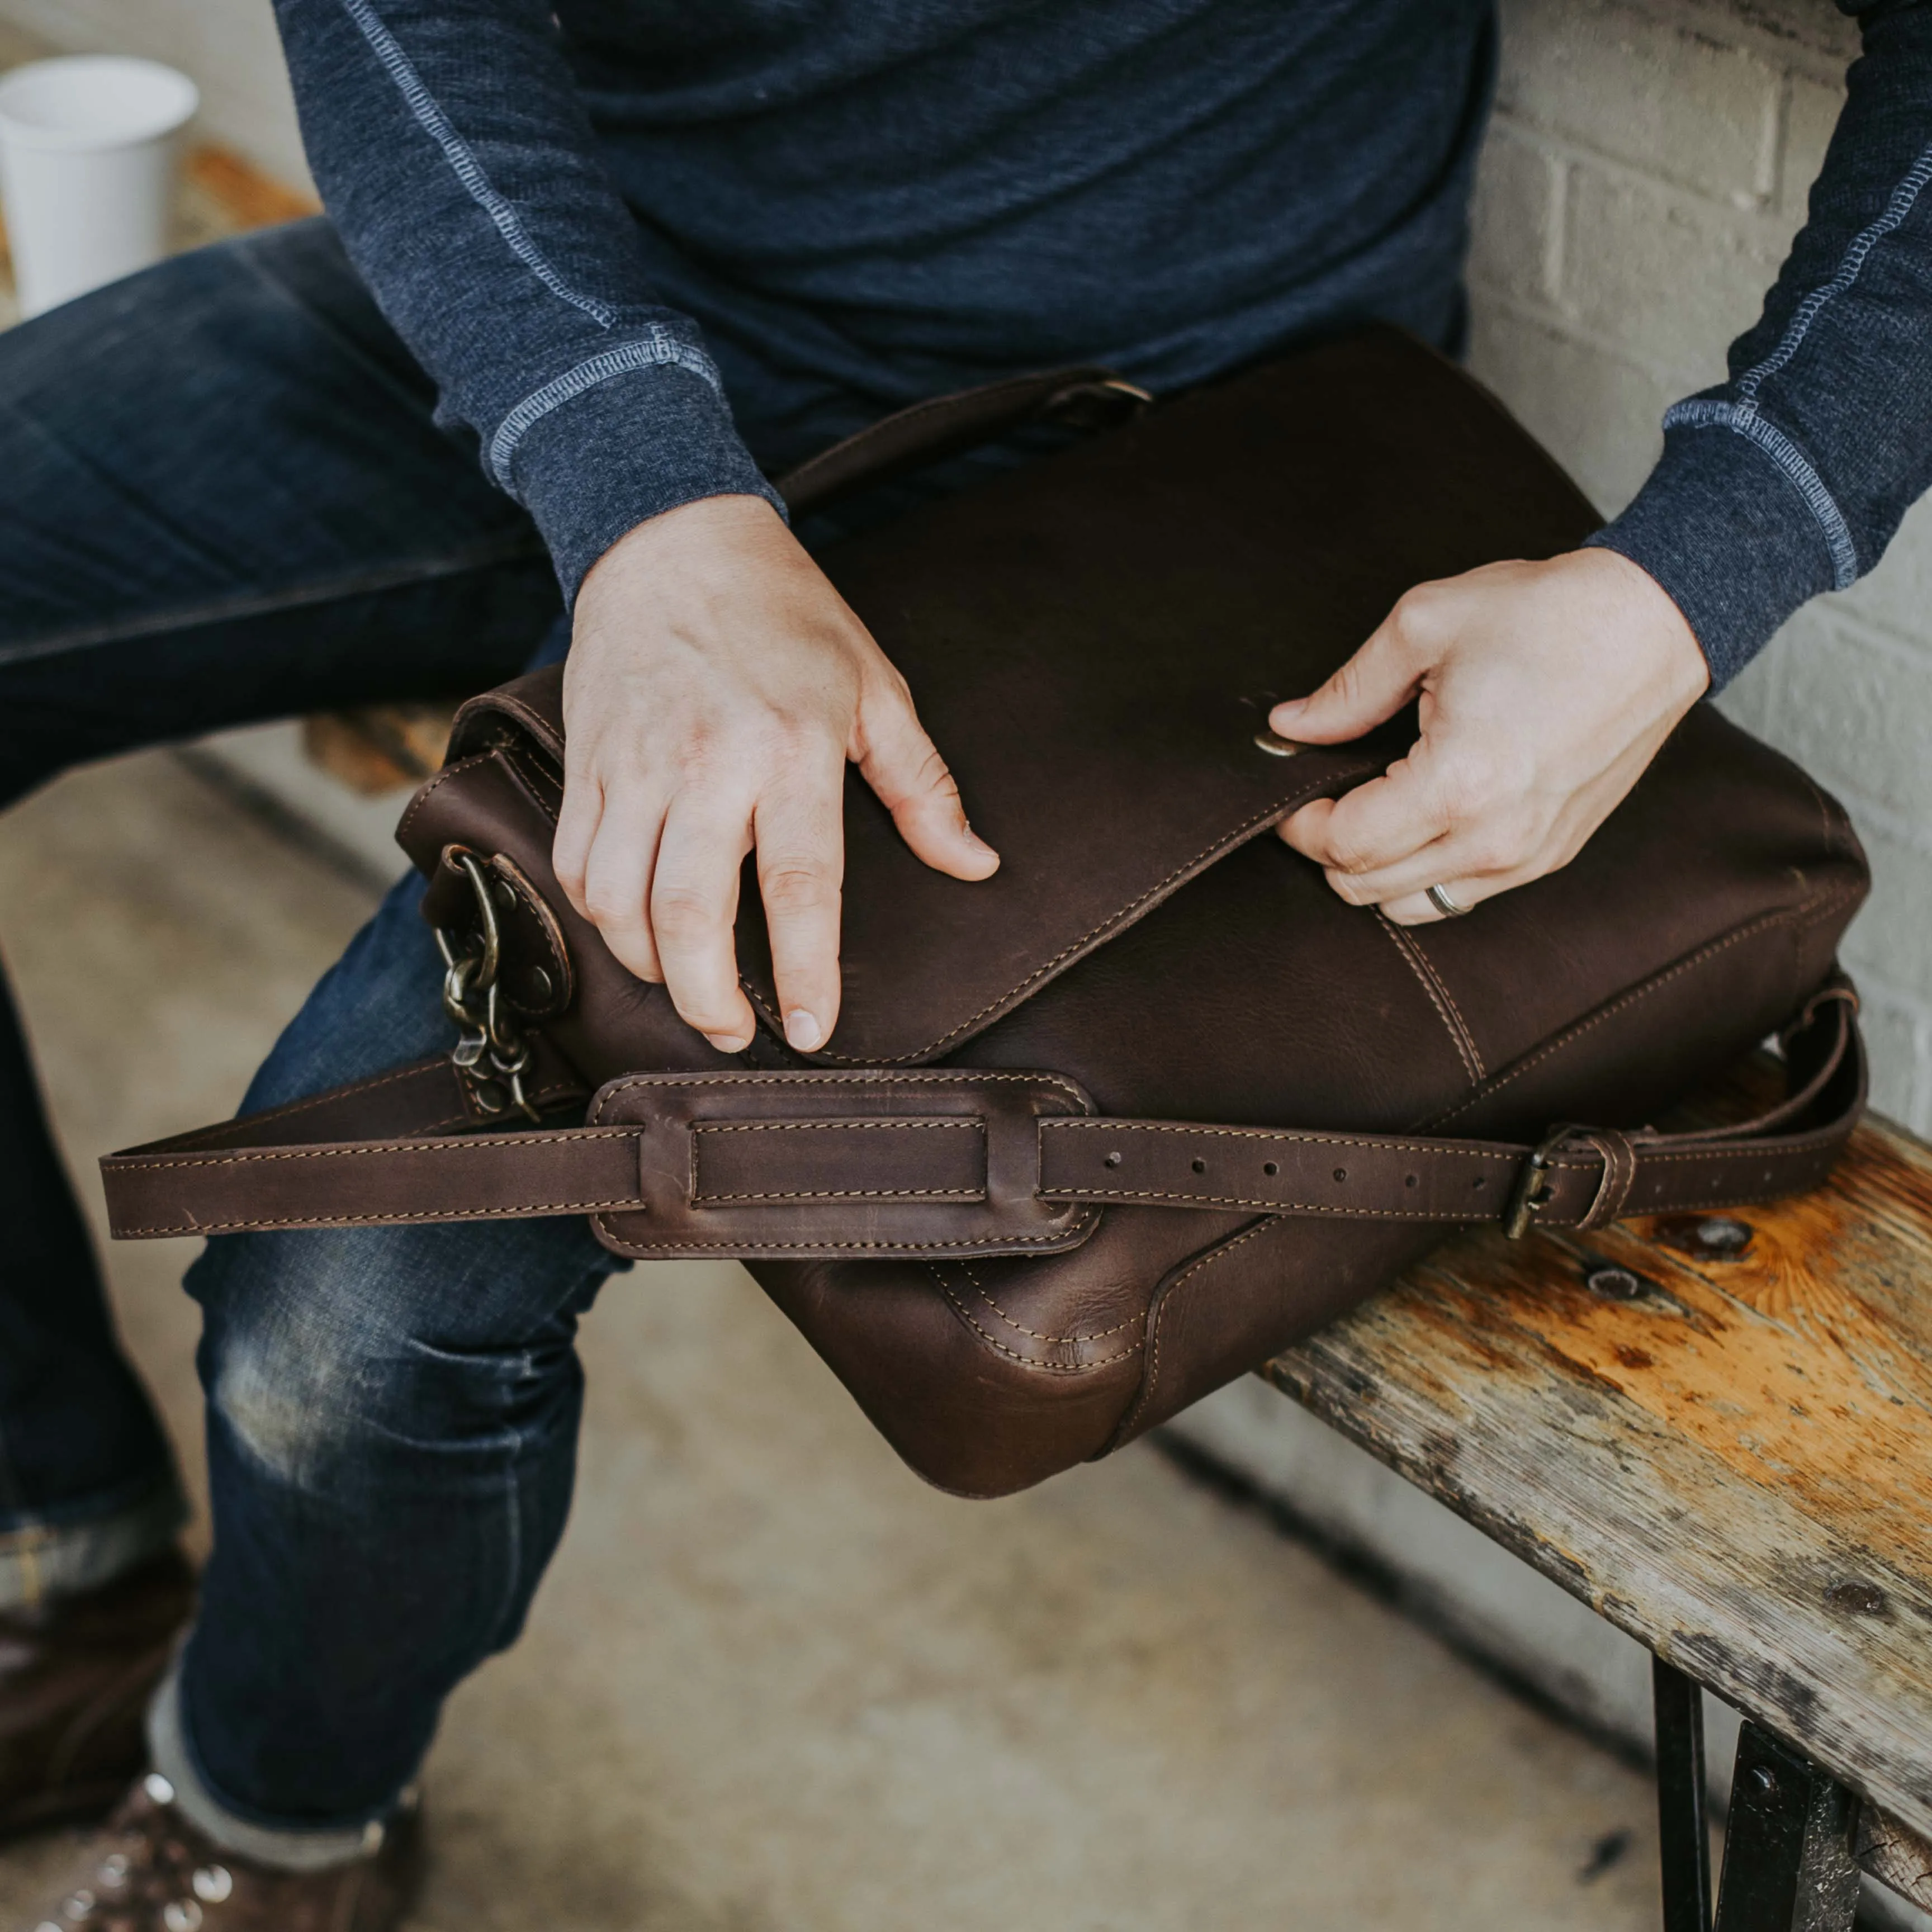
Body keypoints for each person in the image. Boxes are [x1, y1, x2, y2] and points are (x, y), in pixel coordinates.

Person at [4, 1, 1928, 1924]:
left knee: (346, 1278)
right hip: (586, 302)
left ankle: (268, 1821)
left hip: (1153, 451)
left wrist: (1702, 559)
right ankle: (64, 1557)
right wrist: (633, 480)